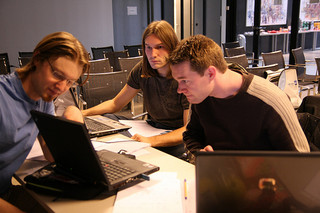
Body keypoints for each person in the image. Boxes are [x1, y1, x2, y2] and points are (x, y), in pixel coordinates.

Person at [169, 34, 310, 158]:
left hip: (266, 183)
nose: (180, 90)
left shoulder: (270, 100)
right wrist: (201, 155)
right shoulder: (200, 96)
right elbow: (191, 136)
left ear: (210, 74)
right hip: (219, 178)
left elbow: (301, 161)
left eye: (185, 81)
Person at [0, 31, 90, 212]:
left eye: (70, 81)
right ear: (37, 59)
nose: (62, 88)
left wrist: (72, 120)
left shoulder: (43, 98)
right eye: (57, 74)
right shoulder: (3, 97)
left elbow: (51, 155)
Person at [82, 20, 189, 157]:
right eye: (148, 47)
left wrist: (150, 141)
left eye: (160, 47)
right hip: (151, 127)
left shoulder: (183, 76)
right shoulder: (142, 69)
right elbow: (116, 103)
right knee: (107, 117)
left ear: (172, 47)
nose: (152, 54)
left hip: (175, 134)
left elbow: (187, 129)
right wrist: (83, 113)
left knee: (162, 149)